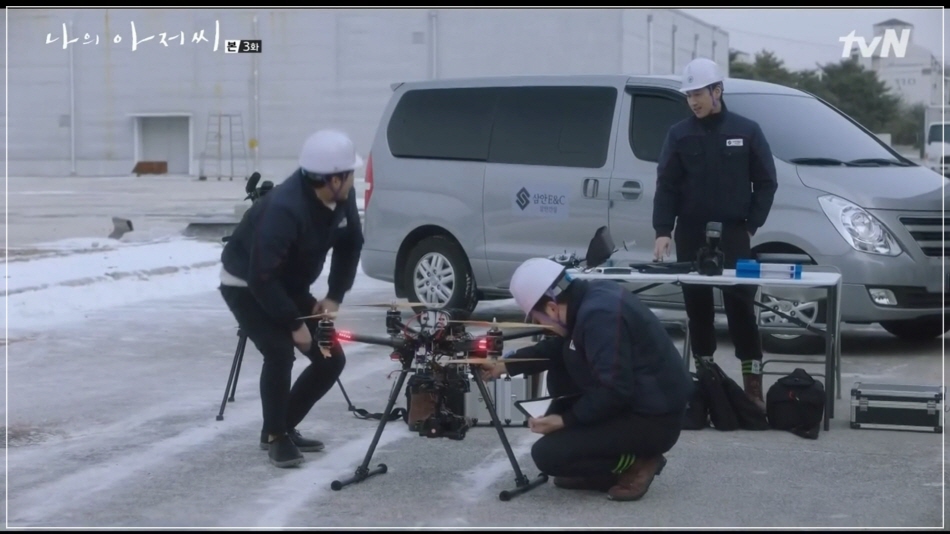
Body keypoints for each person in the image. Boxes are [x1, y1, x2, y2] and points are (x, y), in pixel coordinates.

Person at [478, 257, 693, 502]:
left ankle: (639, 461)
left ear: (552, 309)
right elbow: (559, 348)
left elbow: (614, 390)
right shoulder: (590, 298)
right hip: (638, 402)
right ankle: (599, 466)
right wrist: (506, 364)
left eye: (538, 319)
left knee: (548, 455)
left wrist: (564, 420)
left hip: (653, 420)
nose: (542, 326)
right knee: (562, 376)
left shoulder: (600, 317)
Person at [218, 129, 364, 468]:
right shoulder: (283, 208)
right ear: (333, 179)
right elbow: (261, 277)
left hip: (288, 284)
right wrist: (293, 322)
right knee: (280, 350)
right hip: (245, 284)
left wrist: (334, 296)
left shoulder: (343, 197)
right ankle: (276, 437)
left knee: (330, 359)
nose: (353, 179)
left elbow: (350, 244)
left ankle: (282, 425)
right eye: (350, 173)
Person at [652, 57, 778, 412]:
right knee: (698, 310)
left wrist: (750, 224)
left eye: (698, 94)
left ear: (717, 91)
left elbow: (766, 182)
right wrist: (663, 230)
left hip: (734, 234)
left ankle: (753, 388)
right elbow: (667, 186)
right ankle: (707, 383)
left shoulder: (747, 131)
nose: (693, 101)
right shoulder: (679, 134)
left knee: (741, 309)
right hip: (691, 233)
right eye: (688, 95)